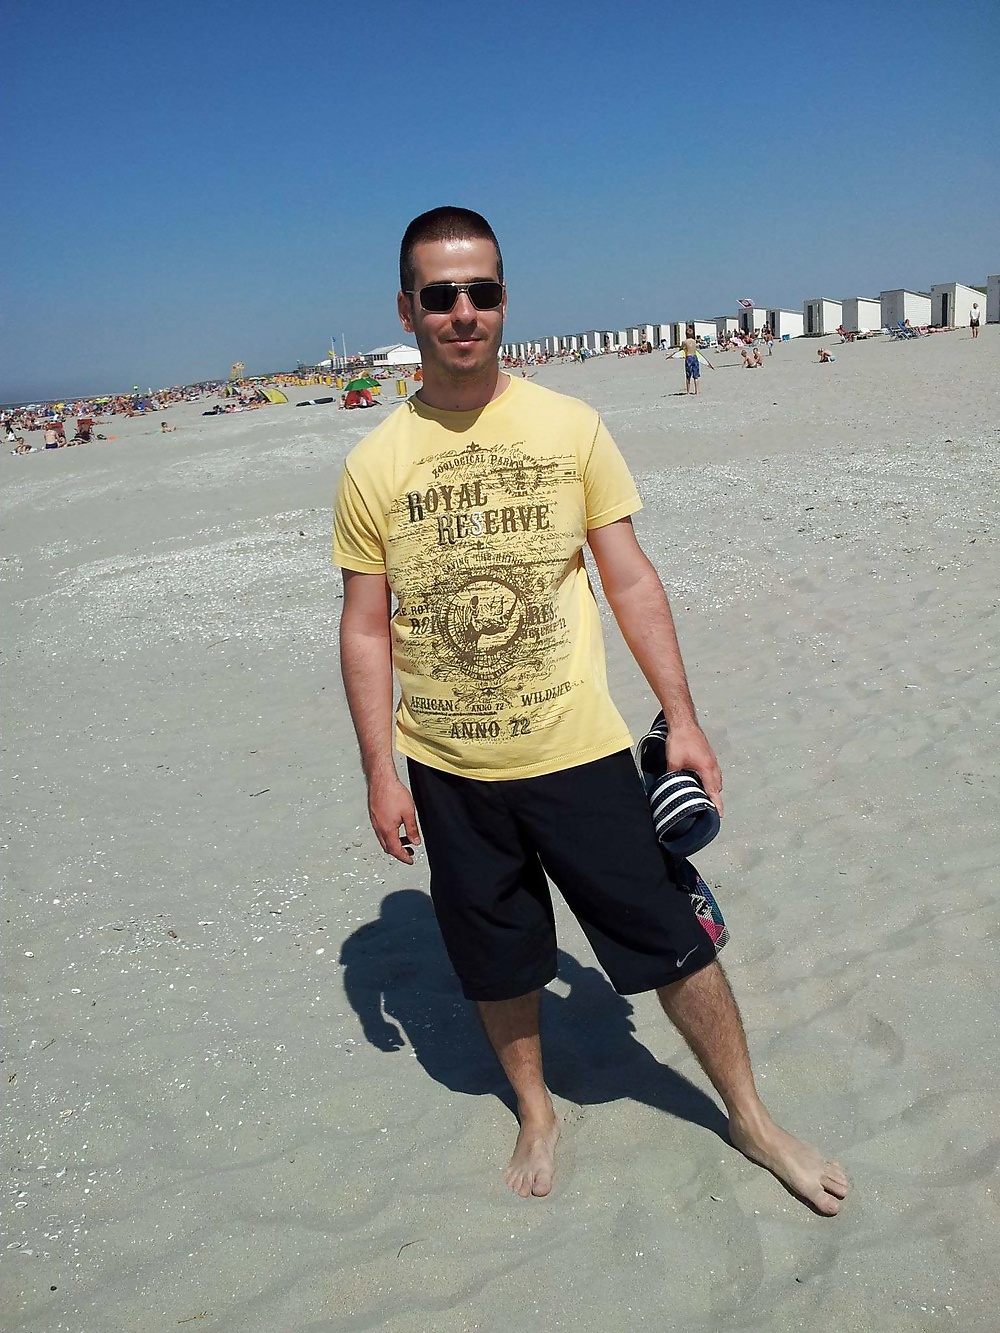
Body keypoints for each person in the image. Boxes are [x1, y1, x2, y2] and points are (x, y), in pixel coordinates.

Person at [333, 205, 849, 1214]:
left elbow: (631, 578)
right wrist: (378, 769)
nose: (463, 311)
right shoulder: (374, 464)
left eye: (481, 290)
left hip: (578, 751)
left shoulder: (571, 428)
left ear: (504, 298)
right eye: (441, 295)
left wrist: (681, 715)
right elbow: (364, 627)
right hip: (450, 769)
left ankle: (750, 1115)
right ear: (407, 308)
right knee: (497, 957)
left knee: (672, 938)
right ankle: (535, 1108)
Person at [681, 324, 701, 395]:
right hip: (695, 357)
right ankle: (697, 391)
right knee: (696, 376)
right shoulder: (694, 341)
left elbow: (681, 348)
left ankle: (688, 391)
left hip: (688, 358)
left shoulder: (684, 342)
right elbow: (696, 348)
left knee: (688, 375)